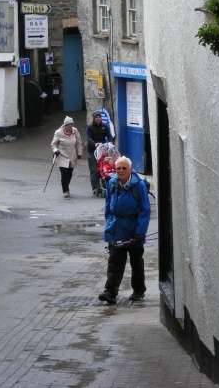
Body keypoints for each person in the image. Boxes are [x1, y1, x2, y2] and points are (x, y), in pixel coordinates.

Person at [98, 156, 151, 304]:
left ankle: (139, 290)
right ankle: (110, 292)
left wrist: (140, 233)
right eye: (118, 168)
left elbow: (144, 210)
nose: (120, 171)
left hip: (133, 229)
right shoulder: (112, 183)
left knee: (136, 263)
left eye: (124, 168)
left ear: (130, 169)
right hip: (116, 229)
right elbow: (108, 205)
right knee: (115, 261)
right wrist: (109, 222)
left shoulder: (139, 186)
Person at [51, 116, 82, 198]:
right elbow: (53, 144)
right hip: (62, 155)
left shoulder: (75, 131)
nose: (71, 127)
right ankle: (65, 190)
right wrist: (55, 150)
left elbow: (79, 142)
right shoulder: (58, 132)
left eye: (72, 124)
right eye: (69, 125)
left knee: (69, 173)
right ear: (65, 125)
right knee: (64, 173)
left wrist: (79, 153)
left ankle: (66, 186)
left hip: (72, 155)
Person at [86, 110, 111, 194]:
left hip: (102, 150)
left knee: (105, 168)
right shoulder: (89, 127)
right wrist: (94, 144)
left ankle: (105, 184)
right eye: (97, 117)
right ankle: (95, 188)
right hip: (92, 151)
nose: (98, 118)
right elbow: (88, 139)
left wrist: (110, 142)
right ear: (93, 118)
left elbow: (109, 135)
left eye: (99, 117)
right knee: (94, 169)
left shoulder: (104, 126)